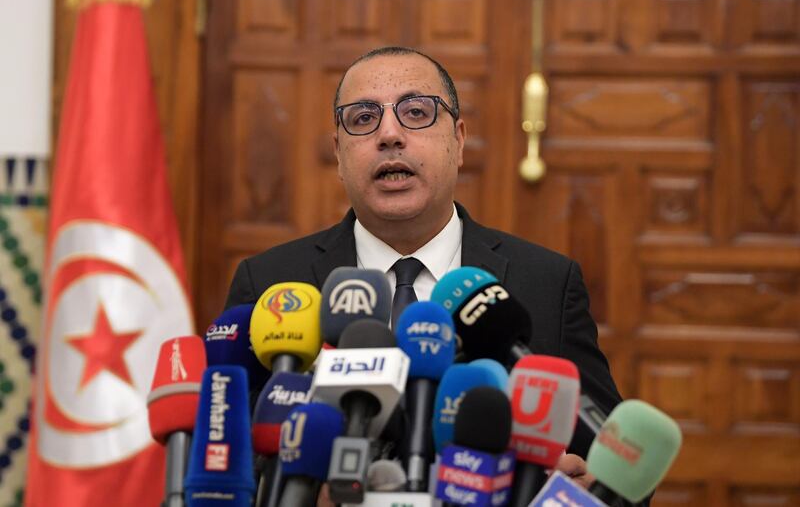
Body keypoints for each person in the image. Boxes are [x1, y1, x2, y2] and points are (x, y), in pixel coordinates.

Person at [225, 46, 622, 487]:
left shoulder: (545, 283)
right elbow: (224, 456)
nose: (390, 135)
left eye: (416, 112)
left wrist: (584, 489)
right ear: (338, 154)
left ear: (459, 140)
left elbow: (619, 466)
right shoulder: (270, 284)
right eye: (363, 118)